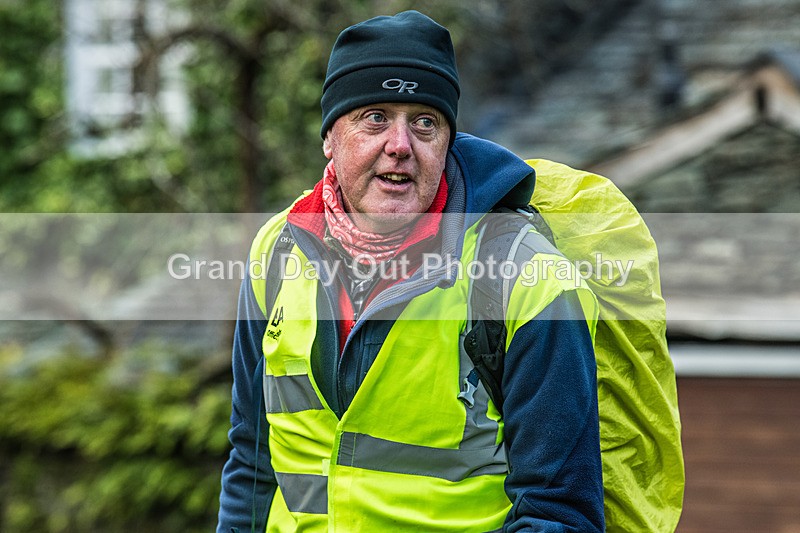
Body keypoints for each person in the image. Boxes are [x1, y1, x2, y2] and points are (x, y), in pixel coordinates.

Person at [217, 10, 604, 533]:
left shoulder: (527, 279)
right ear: (330, 137)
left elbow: (560, 513)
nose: (400, 144)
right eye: (374, 116)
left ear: (447, 143)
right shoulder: (276, 252)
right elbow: (252, 465)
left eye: (425, 121)